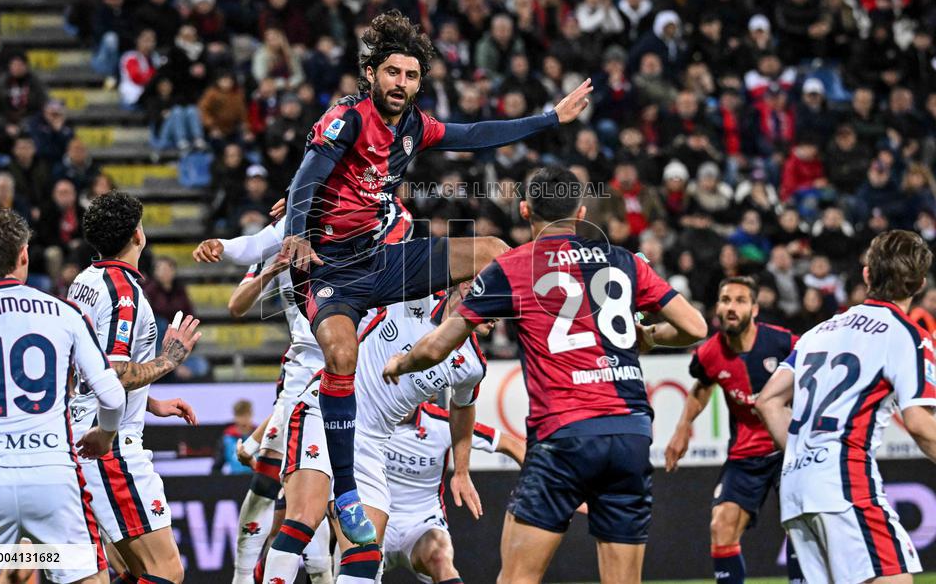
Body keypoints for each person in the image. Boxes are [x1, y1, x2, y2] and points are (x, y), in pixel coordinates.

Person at [278, 10, 592, 543]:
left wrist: (549, 119)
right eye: (392, 72)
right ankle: (347, 492)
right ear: (371, 73)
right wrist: (296, 231)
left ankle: (558, 326)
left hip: (382, 259)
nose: (401, 83)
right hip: (330, 269)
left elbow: (477, 134)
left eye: (411, 75)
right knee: (341, 355)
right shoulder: (347, 118)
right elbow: (308, 174)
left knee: (493, 251)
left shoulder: (415, 127)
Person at [383, 166, 708, 584]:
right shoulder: (624, 260)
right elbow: (695, 327)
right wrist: (647, 337)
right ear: (581, 212)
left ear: (524, 210)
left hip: (564, 436)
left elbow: (438, 345)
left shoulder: (512, 267)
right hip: (630, 432)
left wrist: (402, 363)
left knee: (517, 578)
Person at [0, 209, 125, 584]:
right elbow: (113, 397)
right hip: (54, 478)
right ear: (24, 254)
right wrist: (105, 435)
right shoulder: (65, 314)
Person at [266, 283, 490, 584]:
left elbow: (463, 407)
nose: (498, 314)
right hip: (326, 410)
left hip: (372, 442)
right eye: (496, 299)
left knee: (365, 554)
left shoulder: (472, 365)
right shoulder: (415, 295)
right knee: (304, 519)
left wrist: (461, 471)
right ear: (466, 286)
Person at [756, 230, 936, 584]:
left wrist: (804, 455)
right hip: (844, 483)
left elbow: (767, 401)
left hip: (796, 487)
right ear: (920, 284)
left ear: (867, 275)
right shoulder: (907, 335)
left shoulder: (818, 332)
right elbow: (918, 422)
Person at [67, 191, 203, 584]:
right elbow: (113, 374)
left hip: (83, 432)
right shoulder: (124, 294)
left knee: (134, 570)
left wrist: (149, 402)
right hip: (108, 444)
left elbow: (92, 369)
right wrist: (169, 361)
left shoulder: (83, 281)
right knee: (167, 571)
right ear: (137, 235)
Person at [194, 220, 332, 584]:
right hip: (303, 375)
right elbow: (237, 304)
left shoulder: (359, 230)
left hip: (352, 375)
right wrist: (269, 269)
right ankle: (242, 578)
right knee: (270, 485)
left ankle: (323, 575)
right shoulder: (281, 238)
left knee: (324, 499)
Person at [664, 277, 803, 584]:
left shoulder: (782, 342)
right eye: (726, 300)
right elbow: (702, 386)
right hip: (745, 454)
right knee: (721, 525)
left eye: (740, 301)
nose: (731, 307)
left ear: (754, 309)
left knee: (801, 527)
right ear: (717, 307)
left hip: (788, 449)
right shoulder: (709, 354)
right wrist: (682, 427)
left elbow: (815, 366)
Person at [382, 402, 526, 583]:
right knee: (357, 563)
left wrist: (534, 485)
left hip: (421, 523)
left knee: (440, 556)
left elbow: (511, 444)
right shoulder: (364, 416)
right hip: (373, 518)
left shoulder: (441, 422)